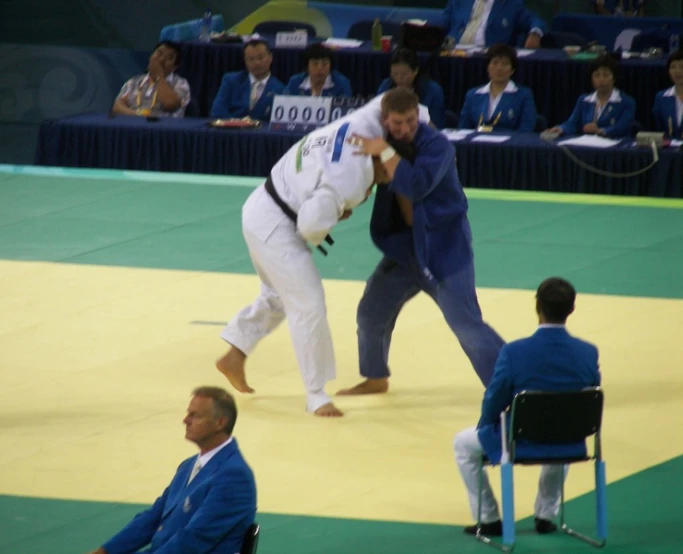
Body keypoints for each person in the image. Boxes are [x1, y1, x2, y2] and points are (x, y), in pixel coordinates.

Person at [215, 90, 428, 417]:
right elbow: (310, 225)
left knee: (279, 295)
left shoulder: (372, 115)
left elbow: (408, 107)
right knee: (308, 302)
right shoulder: (351, 178)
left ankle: (235, 353)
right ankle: (316, 395)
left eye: (409, 122)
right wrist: (334, 212)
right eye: (391, 174)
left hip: (264, 204)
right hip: (276, 223)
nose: (391, 182)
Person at [336, 89, 505, 397]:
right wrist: (338, 207)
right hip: (404, 251)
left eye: (411, 121)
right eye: (398, 123)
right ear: (385, 120)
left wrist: (385, 150)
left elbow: (415, 186)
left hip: (444, 249)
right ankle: (375, 377)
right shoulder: (381, 143)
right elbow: (358, 179)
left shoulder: (437, 146)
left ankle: (510, 381)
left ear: (419, 116)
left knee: (465, 324)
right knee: (370, 313)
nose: (405, 129)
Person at [453, 277, 601, 537]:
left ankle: (488, 518)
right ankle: (546, 515)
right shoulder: (588, 352)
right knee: (562, 426)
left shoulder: (514, 352)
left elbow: (495, 397)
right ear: (572, 309)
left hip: (520, 440)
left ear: (537, 307)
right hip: (571, 439)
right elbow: (589, 395)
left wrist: (486, 424)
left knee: (463, 445)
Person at [87, 387, 256, 554]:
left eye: (194, 415)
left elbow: (194, 539)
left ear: (220, 422)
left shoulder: (234, 476)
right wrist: (104, 551)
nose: (185, 420)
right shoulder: (188, 467)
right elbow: (153, 518)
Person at [549, 54, 636, 138]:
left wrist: (599, 131)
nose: (601, 79)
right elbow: (572, 123)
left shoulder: (627, 102)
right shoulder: (583, 100)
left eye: (605, 75)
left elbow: (622, 128)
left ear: (614, 78)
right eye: (596, 75)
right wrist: (561, 129)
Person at [459, 43, 537, 132]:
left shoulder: (523, 95)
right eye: (495, 63)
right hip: (477, 144)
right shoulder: (472, 95)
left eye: (504, 64)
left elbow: (526, 129)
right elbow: (463, 128)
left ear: (512, 70)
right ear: (487, 67)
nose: (499, 68)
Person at [210, 39, 285, 122]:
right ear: (245, 61)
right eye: (251, 59)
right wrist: (238, 123)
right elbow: (217, 111)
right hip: (232, 131)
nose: (256, 62)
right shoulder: (231, 81)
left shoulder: (280, 89)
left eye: (260, 58)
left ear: (270, 58)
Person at [112, 41, 190, 118]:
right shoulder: (134, 81)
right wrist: (138, 116)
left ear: (174, 67)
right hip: (134, 126)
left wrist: (159, 77)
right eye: (159, 53)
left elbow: (170, 104)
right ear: (151, 56)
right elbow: (117, 107)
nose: (162, 59)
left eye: (169, 57)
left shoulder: (181, 84)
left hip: (163, 129)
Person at [376, 47, 445, 128]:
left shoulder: (433, 90)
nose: (399, 79)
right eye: (395, 74)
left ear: (415, 71)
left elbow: (436, 127)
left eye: (404, 75)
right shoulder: (386, 86)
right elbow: (379, 117)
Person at [439, 0, 546, 49]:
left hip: (488, 56)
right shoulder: (458, 1)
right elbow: (442, 24)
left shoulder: (511, 4)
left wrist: (535, 33)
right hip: (453, 52)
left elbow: (535, 20)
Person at [283, 43, 353, 98]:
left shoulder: (342, 84)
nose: (320, 68)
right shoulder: (295, 82)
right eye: (315, 64)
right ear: (307, 67)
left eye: (324, 64)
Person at [652, 49, 683, 139]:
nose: (677, 71)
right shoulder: (661, 97)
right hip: (668, 149)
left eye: (682, 67)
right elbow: (657, 129)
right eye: (673, 67)